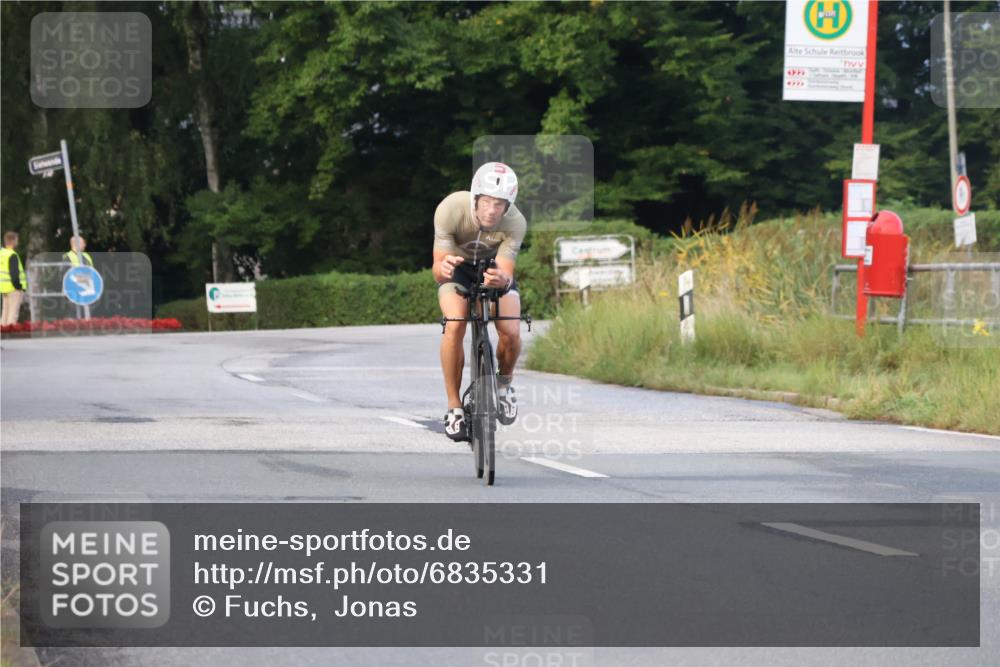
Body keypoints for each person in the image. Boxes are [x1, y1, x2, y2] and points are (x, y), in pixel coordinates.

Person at [433, 162, 526, 441]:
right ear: (475, 198)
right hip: (458, 270)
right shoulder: (450, 209)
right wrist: (445, 268)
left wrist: (501, 280)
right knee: (455, 323)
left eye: (499, 204)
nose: (491, 210)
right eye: (486, 201)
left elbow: (506, 273)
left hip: (493, 271)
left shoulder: (515, 222)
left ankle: (504, 384)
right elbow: (437, 269)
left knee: (510, 330)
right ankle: (454, 407)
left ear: (508, 206)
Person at [0, 231, 27, 326]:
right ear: (13, 241)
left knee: (5, 313)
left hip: (4, 288)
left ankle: (2, 332)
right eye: (17, 240)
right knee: (13, 313)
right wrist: (19, 286)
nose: (18, 242)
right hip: (14, 288)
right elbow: (14, 274)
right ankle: (10, 334)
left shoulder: (2, 253)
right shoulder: (12, 255)